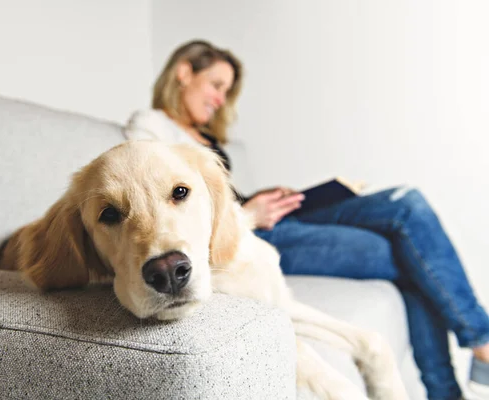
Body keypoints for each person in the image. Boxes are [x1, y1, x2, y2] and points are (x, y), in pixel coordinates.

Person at [123, 39, 489, 400]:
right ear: (184, 72)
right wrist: (249, 213)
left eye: (226, 91)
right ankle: (472, 357)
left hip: (268, 220)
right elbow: (155, 189)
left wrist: (266, 199)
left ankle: (464, 367)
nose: (220, 99)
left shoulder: (208, 138)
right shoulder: (151, 125)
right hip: (248, 231)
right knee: (410, 248)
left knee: (405, 203)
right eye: (217, 85)